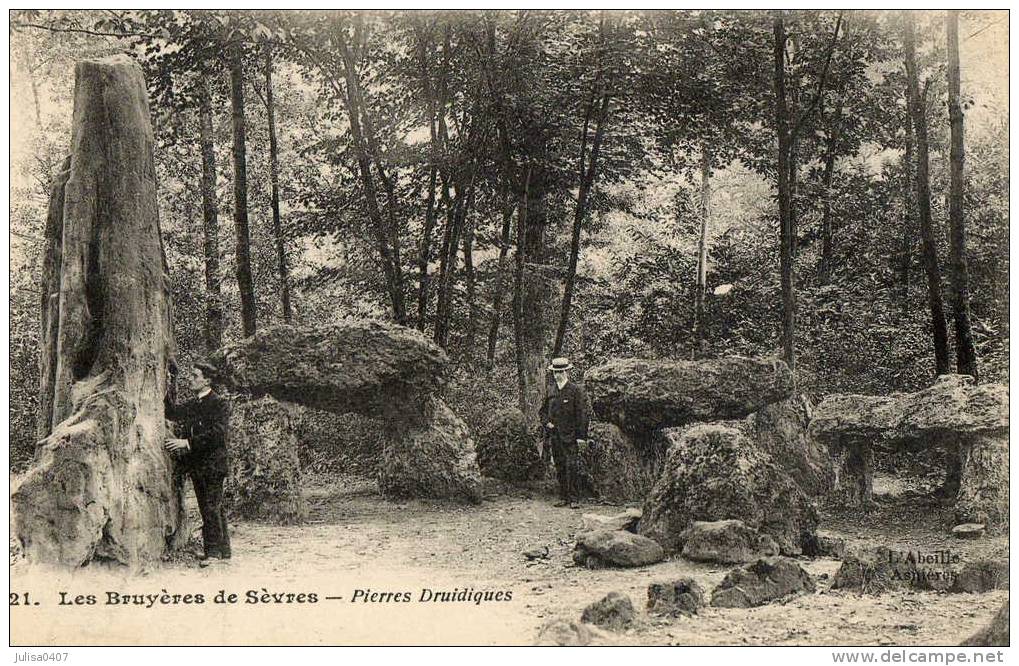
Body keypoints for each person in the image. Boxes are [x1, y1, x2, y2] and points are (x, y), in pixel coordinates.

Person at [164, 361, 231, 566]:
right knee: (210, 507)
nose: (191, 379)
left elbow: (218, 434)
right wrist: (170, 383)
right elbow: (173, 412)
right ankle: (223, 550)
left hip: (213, 464)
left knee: (211, 507)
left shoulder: (219, 403)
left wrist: (187, 442)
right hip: (199, 465)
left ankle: (213, 554)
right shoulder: (195, 403)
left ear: (207, 380)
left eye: (195, 376)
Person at [539, 357, 592, 508]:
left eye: (561, 372)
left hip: (571, 436)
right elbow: (542, 412)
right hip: (555, 435)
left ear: (567, 372)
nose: (558, 375)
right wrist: (546, 423)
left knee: (572, 466)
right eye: (555, 372)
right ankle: (563, 496)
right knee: (560, 465)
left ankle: (574, 498)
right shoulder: (551, 390)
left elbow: (582, 414)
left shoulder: (575, 390)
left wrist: (581, 437)